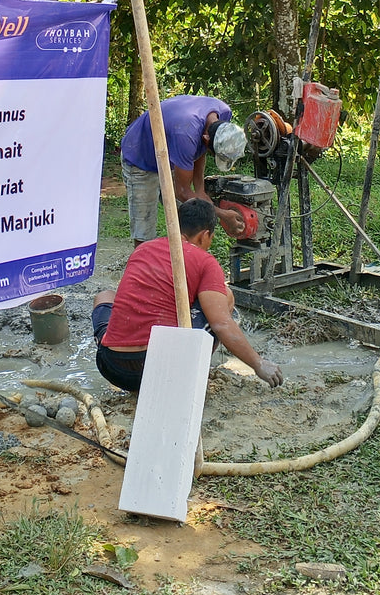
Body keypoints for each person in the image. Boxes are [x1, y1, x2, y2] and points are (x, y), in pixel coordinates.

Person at [91, 198, 284, 393]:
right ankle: (188, 372)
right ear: (204, 235)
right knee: (224, 296)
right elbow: (221, 324)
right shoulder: (204, 261)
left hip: (112, 366)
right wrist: (258, 363)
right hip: (160, 369)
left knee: (105, 296)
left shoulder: (143, 249)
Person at [120, 95, 247, 244]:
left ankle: (186, 259)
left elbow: (200, 147)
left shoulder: (223, 113)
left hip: (170, 152)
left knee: (191, 218)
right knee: (144, 230)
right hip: (141, 154)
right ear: (207, 138)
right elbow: (182, 192)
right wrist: (223, 214)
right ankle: (144, 262)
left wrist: (200, 190)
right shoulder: (185, 134)